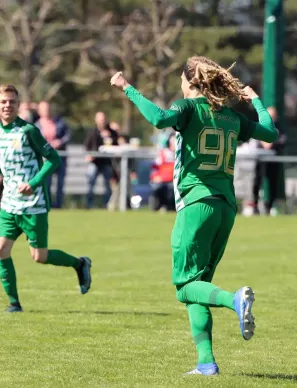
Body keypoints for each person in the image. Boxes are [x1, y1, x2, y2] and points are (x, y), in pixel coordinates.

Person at [110, 56, 278, 376]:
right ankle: (206, 363)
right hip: (226, 207)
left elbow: (159, 119)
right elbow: (270, 133)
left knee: (185, 286)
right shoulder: (230, 116)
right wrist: (255, 100)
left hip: (196, 205)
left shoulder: (188, 108)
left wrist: (127, 88)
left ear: (189, 82)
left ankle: (234, 300)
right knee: (199, 286)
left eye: (181, 79)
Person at [0, 84, 92, 313]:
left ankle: (80, 263)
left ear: (18, 105)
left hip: (33, 204)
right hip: (8, 203)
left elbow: (54, 159)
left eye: (12, 101)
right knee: (0, 250)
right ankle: (14, 303)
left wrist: (34, 183)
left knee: (39, 256)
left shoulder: (28, 131)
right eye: (3, 102)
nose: (8, 105)